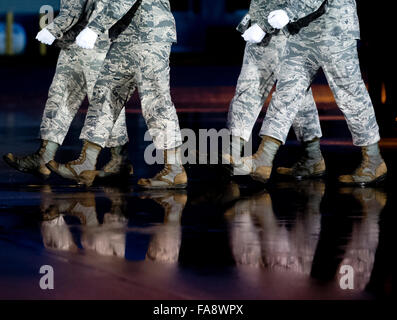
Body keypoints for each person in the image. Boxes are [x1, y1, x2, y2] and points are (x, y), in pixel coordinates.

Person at [235, 0, 387, 186]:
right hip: (302, 31)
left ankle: (373, 160)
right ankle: (265, 159)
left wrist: (274, 20)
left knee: (350, 94)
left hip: (335, 31)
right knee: (287, 90)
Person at [48, 0, 187, 189]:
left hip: (149, 35)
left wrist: (94, 28)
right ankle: (86, 163)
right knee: (104, 94)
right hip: (124, 37)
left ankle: (175, 170)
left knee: (156, 102)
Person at [3, 0, 132, 180]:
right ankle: (44, 157)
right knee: (60, 95)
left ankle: (119, 160)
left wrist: (92, 30)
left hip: (101, 39)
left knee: (105, 100)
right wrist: (59, 30)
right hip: (74, 39)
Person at [226, 0, 326, 179]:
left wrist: (266, 24)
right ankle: (232, 153)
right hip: (264, 21)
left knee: (289, 92)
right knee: (257, 87)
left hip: (288, 26)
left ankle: (311, 155)